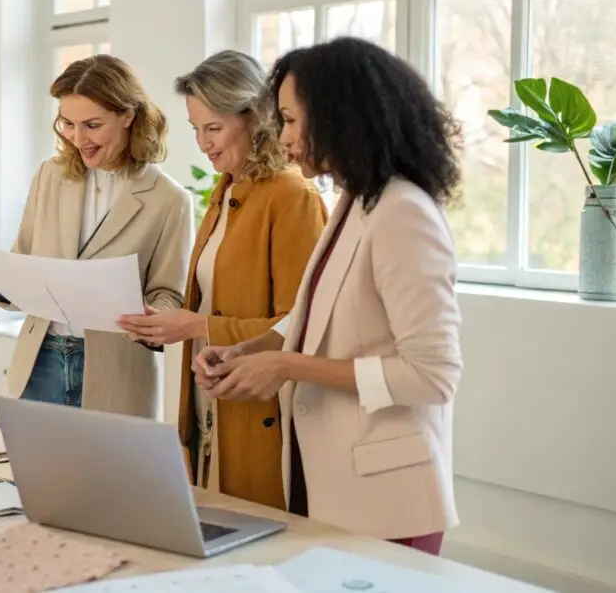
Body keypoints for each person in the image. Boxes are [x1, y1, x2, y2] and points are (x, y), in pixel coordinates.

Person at [194, 37, 463, 555]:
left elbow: (433, 375)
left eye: (291, 120)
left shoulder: (403, 212)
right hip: (327, 482)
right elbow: (310, 315)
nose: (281, 134)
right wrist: (246, 352)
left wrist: (288, 366)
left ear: (339, 116)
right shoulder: (354, 200)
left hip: (387, 498)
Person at [117, 50, 326, 509]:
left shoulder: (292, 196)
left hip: (259, 410)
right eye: (195, 129)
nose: (203, 143)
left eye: (213, 128)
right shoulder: (226, 189)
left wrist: (195, 327)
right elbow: (210, 300)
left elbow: (302, 325)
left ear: (256, 118)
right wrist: (167, 322)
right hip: (209, 405)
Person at [0, 54, 193, 418]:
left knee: (109, 476)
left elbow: (170, 293)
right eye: (67, 123)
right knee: (37, 473)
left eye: (92, 125)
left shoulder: (170, 200)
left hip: (116, 371)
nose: (77, 137)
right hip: (40, 360)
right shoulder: (49, 176)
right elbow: (22, 257)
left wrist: (153, 316)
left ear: (128, 116)